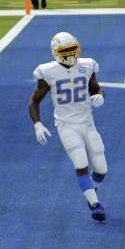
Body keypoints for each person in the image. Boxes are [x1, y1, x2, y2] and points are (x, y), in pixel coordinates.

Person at [28, 32, 108, 222]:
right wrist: (37, 124)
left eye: (73, 50)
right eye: (66, 51)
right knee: (80, 163)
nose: (71, 55)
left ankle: (91, 190)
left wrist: (101, 95)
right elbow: (34, 101)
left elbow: (95, 87)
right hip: (66, 124)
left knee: (101, 169)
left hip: (88, 123)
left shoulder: (87, 65)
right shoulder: (48, 71)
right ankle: (95, 204)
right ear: (56, 52)